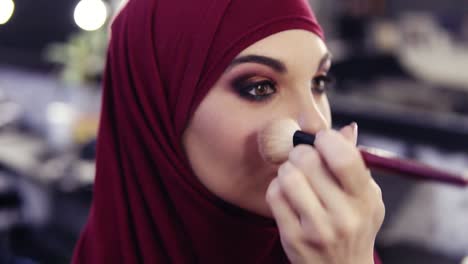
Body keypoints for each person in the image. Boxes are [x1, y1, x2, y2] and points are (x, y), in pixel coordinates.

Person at [72, 0, 385, 263]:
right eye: (260, 87)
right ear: (156, 107)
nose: (317, 126)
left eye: (319, 83)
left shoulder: (345, 250)